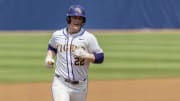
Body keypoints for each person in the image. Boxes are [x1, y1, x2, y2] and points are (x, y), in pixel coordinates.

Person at [45, 4, 104, 101]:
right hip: (61, 83)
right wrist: (49, 57)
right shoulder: (57, 35)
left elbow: (100, 57)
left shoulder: (89, 38)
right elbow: (52, 47)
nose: (77, 20)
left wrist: (87, 55)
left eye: (80, 18)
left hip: (80, 86)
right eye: (74, 17)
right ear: (69, 19)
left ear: (83, 21)